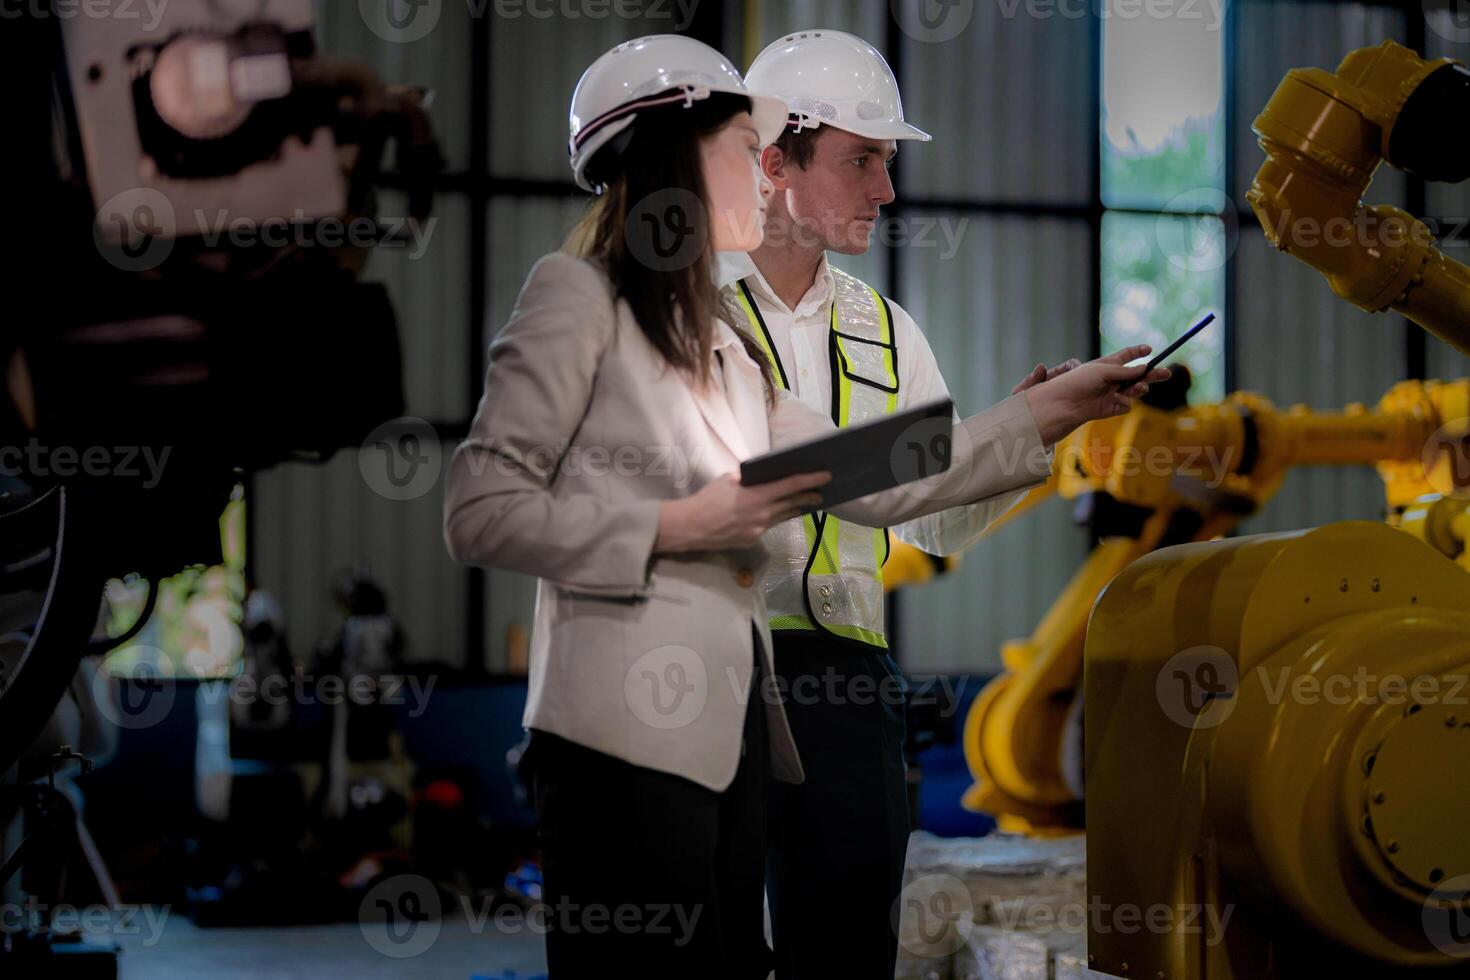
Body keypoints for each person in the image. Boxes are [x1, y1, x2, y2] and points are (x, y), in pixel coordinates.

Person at [442, 33, 1166, 979]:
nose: (884, 189)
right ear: (713, 162)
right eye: (750, 151)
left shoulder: (743, 348)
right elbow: (481, 506)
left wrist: (1040, 417)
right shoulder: (592, 298)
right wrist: (672, 529)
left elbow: (880, 473)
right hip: (633, 708)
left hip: (766, 707)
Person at [723, 29, 1083, 978]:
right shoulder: (695, 312)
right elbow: (839, 476)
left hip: (848, 673)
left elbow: (929, 514)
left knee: (844, 944)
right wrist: (1011, 425)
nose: (886, 190)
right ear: (773, 162)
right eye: (863, 160)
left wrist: (1028, 439)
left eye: (884, 163)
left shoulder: (887, 328)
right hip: (712, 664)